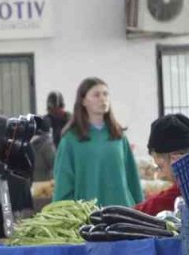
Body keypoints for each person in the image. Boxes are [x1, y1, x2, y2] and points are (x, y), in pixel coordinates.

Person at [53, 77, 143, 207]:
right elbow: (63, 183)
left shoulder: (118, 136)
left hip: (124, 215)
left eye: (105, 94)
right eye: (96, 95)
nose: (103, 99)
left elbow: (133, 178)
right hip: (88, 218)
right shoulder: (71, 140)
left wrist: (141, 209)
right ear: (83, 101)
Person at [135, 113, 189, 214]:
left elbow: (163, 201)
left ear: (175, 159)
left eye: (160, 167)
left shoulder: (188, 188)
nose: (162, 174)